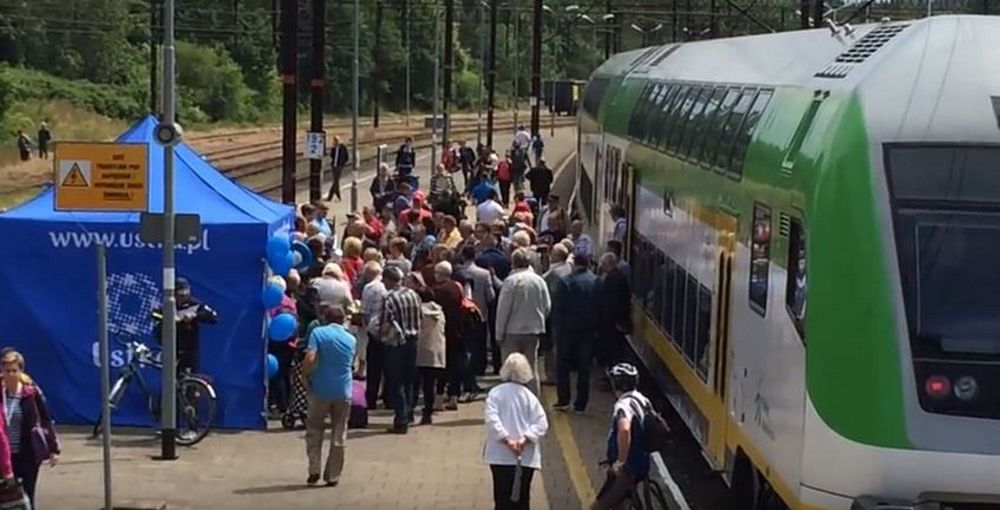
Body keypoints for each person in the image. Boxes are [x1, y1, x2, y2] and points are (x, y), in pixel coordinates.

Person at [483, 353, 549, 510]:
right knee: (522, 498)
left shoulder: (495, 393)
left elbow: (491, 420)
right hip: (524, 456)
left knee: (501, 498)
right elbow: (541, 423)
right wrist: (524, 439)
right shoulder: (530, 397)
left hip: (500, 456)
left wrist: (507, 440)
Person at [302, 305, 356, 487]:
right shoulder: (351, 338)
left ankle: (314, 469)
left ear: (325, 318)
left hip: (320, 389)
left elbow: (310, 357)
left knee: (314, 430)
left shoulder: (318, 333)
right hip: (343, 390)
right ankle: (332, 475)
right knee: (339, 433)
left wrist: (306, 375)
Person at [2, 350, 58, 507]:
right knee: (5, 498)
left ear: (21, 371)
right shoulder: (1, 395)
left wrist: (53, 449)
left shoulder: (30, 393)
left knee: (26, 496)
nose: (11, 374)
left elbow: (46, 419)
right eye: (7, 371)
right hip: (4, 455)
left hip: (27, 454)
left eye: (14, 370)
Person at [592, 363, 652, 510]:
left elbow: (624, 430)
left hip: (628, 469)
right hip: (642, 463)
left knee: (598, 507)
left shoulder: (623, 405)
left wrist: (620, 462)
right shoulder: (643, 400)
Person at [495, 249, 551, 395]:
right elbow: (547, 305)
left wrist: (499, 334)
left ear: (513, 263)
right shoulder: (539, 280)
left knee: (510, 369)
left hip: (512, 331)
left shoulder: (511, 281)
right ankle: (533, 401)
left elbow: (503, 309)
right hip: (533, 331)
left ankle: (512, 400)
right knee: (531, 368)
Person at [552, 253, 601, 413]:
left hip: (567, 331)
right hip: (588, 331)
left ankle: (564, 400)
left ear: (575, 264)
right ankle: (581, 404)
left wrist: (556, 331)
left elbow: (558, 309)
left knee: (563, 365)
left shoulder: (566, 282)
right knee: (584, 367)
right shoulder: (596, 281)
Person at [380, 266, 422, 434]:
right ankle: (409, 413)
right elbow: (420, 317)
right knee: (409, 379)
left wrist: (380, 335)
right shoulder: (413, 294)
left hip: (397, 342)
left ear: (388, 280)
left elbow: (386, 321)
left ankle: (401, 419)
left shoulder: (389, 298)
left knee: (396, 381)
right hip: (414, 340)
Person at [153, 277, 218, 377]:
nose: (183, 296)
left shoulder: (195, 305)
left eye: (186, 292)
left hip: (189, 350)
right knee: (171, 379)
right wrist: (170, 320)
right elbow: (155, 316)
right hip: (172, 348)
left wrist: (194, 316)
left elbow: (213, 317)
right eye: (180, 293)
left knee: (189, 379)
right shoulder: (167, 306)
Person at [456, 246, 495, 378]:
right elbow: (491, 296)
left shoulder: (457, 272)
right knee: (479, 347)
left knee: (464, 348)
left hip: (462, 315)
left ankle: (466, 374)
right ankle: (478, 371)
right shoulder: (484, 274)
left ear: (463, 256)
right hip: (480, 314)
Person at [415, 285, 447, 424]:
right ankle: (428, 413)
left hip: (421, 350)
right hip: (437, 350)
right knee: (430, 384)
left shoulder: (419, 312)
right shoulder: (440, 312)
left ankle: (409, 412)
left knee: (415, 383)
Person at [360, 262, 388, 409]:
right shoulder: (388, 286)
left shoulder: (369, 288)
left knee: (374, 368)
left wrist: (366, 328)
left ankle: (371, 398)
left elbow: (364, 312)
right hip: (388, 331)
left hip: (374, 330)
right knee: (388, 366)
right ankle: (388, 396)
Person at [599, 252, 632, 371]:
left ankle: (614, 374)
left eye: (603, 264)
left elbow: (613, 303)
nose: (601, 266)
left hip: (613, 323)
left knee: (614, 352)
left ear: (609, 264)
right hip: (618, 322)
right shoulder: (619, 277)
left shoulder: (612, 279)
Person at [328, 136, 350, 202]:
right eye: (335, 141)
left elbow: (346, 157)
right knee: (336, 181)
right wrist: (333, 148)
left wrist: (342, 163)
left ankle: (333, 196)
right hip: (334, 166)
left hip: (339, 166)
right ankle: (334, 196)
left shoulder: (343, 147)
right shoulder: (333, 148)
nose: (335, 142)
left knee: (336, 181)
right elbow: (331, 156)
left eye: (337, 140)